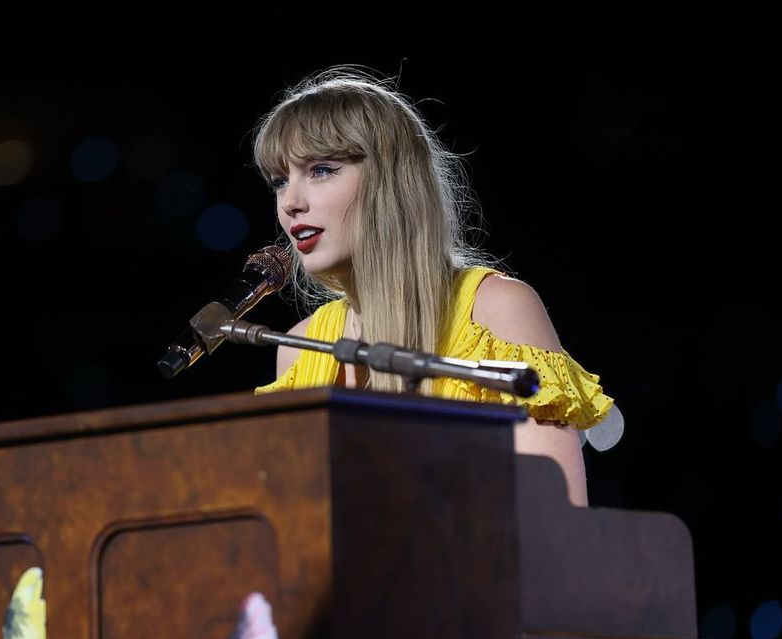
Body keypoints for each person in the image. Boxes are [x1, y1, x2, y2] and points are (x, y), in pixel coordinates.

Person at [251, 66, 614, 507]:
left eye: (322, 169)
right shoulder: (297, 349)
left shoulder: (496, 310)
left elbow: (556, 517)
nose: (290, 202)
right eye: (280, 181)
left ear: (390, 180)